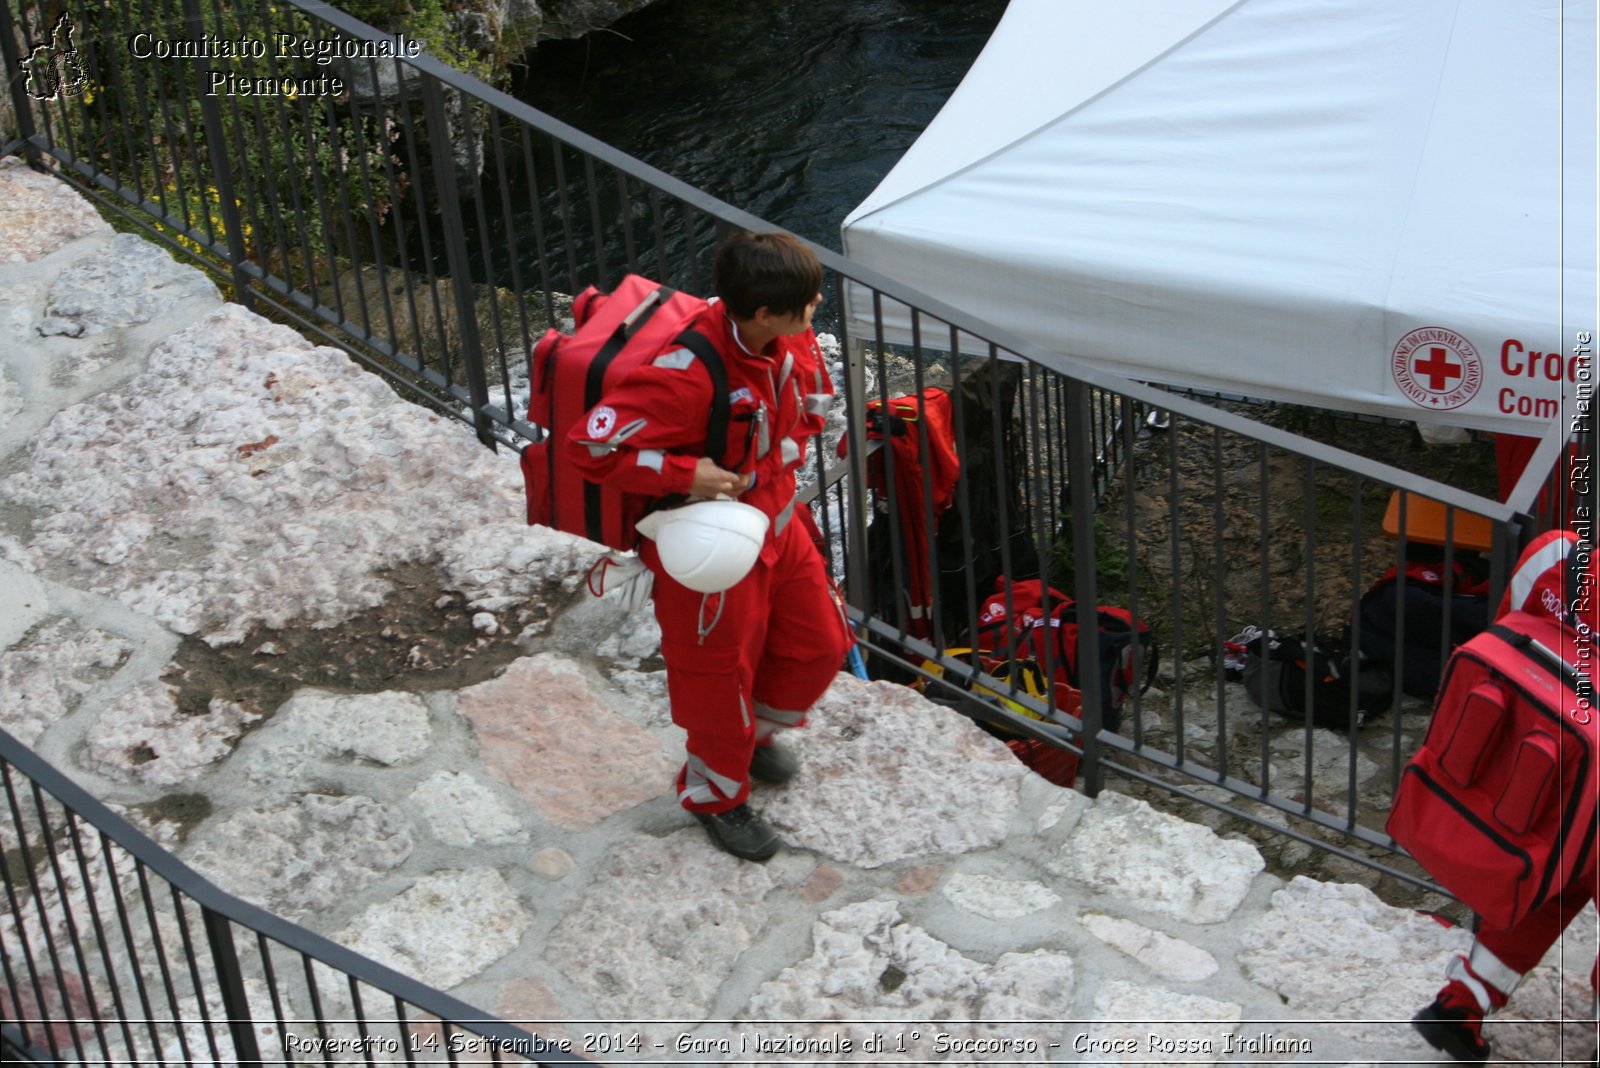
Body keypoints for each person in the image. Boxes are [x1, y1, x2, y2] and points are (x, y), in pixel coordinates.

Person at [564, 230, 850, 862]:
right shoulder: (685, 377)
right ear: (765, 313)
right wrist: (682, 475)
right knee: (717, 680)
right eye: (807, 302)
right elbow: (589, 445)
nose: (817, 307)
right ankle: (715, 794)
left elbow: (802, 407)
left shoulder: (783, 337)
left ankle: (750, 740)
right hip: (712, 548)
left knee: (819, 645)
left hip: (776, 523)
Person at [1411, 528, 1599, 1064]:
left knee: (1549, 886)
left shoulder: (1556, 552)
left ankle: (1461, 1002)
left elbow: (1509, 637)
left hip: (1544, 761)